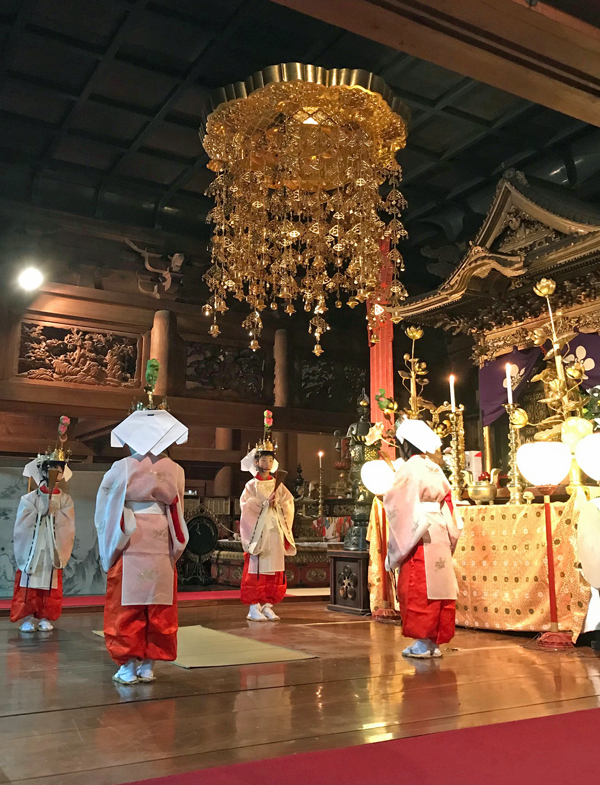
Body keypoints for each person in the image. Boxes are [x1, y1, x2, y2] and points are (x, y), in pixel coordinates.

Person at [94, 387, 189, 685]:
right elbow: (178, 508)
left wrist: (110, 542)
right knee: (152, 601)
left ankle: (133, 662)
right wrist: (176, 545)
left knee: (133, 601)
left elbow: (106, 506)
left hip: (132, 532)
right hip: (158, 534)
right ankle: (144, 661)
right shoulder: (174, 469)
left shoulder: (121, 467)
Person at [383, 417, 461, 658]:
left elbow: (397, 502)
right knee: (439, 587)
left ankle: (423, 642)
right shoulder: (435, 468)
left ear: (406, 444)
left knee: (418, 586)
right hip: (437, 528)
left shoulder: (408, 468)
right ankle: (433, 642)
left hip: (417, 530)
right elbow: (447, 501)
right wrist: (451, 535)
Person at [11, 416, 75, 632]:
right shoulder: (29, 498)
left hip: (53, 543)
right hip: (35, 543)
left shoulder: (65, 499)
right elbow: (23, 525)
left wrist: (54, 510)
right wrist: (41, 507)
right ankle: (27, 617)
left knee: (50, 580)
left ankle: (45, 616)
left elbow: (67, 523)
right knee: (29, 580)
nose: (53, 476)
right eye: (50, 471)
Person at [239, 411, 295, 622]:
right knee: (258, 568)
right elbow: (246, 506)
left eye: (271, 459)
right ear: (256, 461)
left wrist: (278, 503)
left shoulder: (277, 483)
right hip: (259, 530)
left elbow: (288, 503)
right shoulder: (251, 485)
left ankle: (268, 604)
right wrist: (262, 503)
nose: (268, 462)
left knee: (275, 569)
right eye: (264, 458)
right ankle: (254, 606)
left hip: (274, 527)